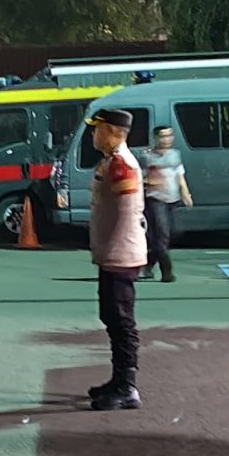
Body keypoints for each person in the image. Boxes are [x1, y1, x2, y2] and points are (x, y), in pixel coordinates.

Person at [85, 108, 146, 410]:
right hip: (112, 254)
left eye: (97, 129)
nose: (93, 134)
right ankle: (118, 379)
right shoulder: (111, 161)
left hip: (120, 255)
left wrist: (110, 250)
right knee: (111, 317)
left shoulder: (121, 164)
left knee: (122, 321)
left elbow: (124, 215)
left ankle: (127, 387)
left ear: (111, 132)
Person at [140, 124, 191, 282]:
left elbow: (179, 175)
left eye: (169, 135)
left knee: (168, 235)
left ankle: (147, 266)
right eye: (163, 136)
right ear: (155, 138)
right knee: (162, 235)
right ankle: (167, 272)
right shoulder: (147, 157)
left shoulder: (175, 155)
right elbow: (141, 179)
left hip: (173, 199)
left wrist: (185, 192)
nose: (167, 139)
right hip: (156, 199)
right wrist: (152, 182)